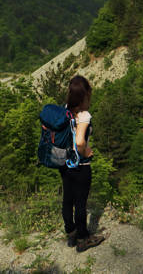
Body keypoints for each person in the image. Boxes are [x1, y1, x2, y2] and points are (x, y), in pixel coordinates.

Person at [60, 75, 105, 252]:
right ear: (85, 94)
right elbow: (79, 140)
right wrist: (84, 151)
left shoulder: (65, 110)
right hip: (80, 166)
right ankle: (83, 238)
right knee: (80, 203)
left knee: (67, 199)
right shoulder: (84, 115)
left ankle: (71, 233)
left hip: (64, 164)